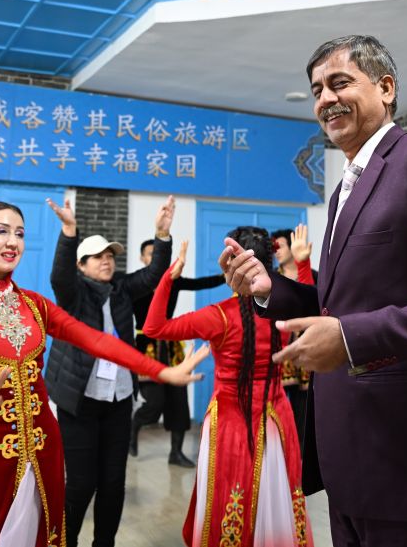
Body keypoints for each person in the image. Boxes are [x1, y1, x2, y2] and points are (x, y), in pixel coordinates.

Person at [221, 35, 407, 546]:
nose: (326, 99)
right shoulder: (344, 189)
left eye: (340, 83)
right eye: (317, 90)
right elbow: (342, 305)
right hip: (350, 457)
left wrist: (352, 339)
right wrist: (271, 289)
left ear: (386, 88)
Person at [0, 201, 207, 547]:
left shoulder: (34, 304)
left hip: (43, 448)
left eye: (20, 234)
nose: (13, 242)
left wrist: (161, 372)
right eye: (1, 231)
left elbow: (96, 340)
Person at [144, 226, 313, 547]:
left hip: (230, 422)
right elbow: (312, 309)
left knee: (229, 496)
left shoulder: (217, 316)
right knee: (275, 498)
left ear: (231, 266)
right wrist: (302, 264)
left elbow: (154, 327)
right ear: (267, 263)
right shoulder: (284, 308)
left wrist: (168, 280)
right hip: (277, 417)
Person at [43, 195, 185, 546]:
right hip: (80, 401)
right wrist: (69, 232)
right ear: (81, 265)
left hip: (118, 399)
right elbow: (60, 276)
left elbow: (153, 275)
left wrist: (161, 235)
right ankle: (65, 541)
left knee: (112, 484)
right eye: (98, 256)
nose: (107, 260)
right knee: (80, 484)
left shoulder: (120, 287)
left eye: (110, 255)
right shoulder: (72, 294)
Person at [130, 239, 225, 466]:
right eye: (150, 253)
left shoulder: (174, 280)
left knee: (179, 402)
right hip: (146, 346)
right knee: (154, 404)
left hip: (171, 346)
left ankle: (176, 453)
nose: (155, 257)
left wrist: (227, 275)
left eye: (158, 253)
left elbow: (201, 283)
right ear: (142, 258)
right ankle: (132, 430)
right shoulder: (135, 283)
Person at [272, 225, 314, 446]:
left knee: (303, 404)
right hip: (278, 347)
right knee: (276, 403)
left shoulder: (312, 275)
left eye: (280, 246)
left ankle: (302, 452)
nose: (277, 251)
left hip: (306, 346)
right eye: (274, 248)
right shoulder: (271, 279)